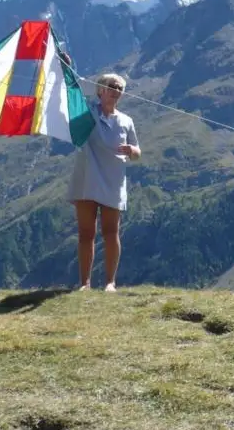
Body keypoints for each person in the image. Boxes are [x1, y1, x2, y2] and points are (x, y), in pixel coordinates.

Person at [59, 51, 140, 292]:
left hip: (113, 180)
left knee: (111, 231)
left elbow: (137, 151)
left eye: (119, 88)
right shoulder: (87, 113)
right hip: (87, 177)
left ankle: (110, 282)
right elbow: (70, 95)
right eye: (111, 86)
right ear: (100, 90)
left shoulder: (126, 120)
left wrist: (132, 150)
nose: (116, 90)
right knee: (86, 232)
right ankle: (84, 283)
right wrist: (66, 68)